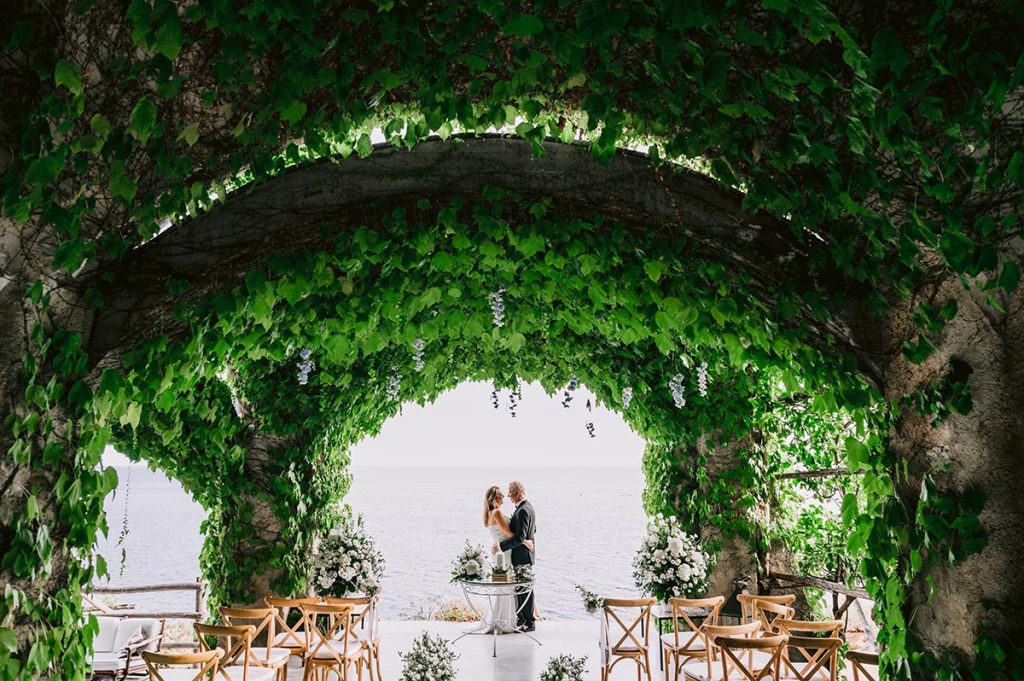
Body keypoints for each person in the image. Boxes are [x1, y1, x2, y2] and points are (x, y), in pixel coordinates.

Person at [483, 486, 533, 633]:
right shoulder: (497, 512)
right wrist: (525, 542)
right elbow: (508, 533)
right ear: (495, 498)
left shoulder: (491, 513)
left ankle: (501, 618)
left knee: (502, 584)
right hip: (503, 554)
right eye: (501, 494)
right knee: (504, 585)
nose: (504, 496)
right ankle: (503, 620)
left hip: (500, 552)